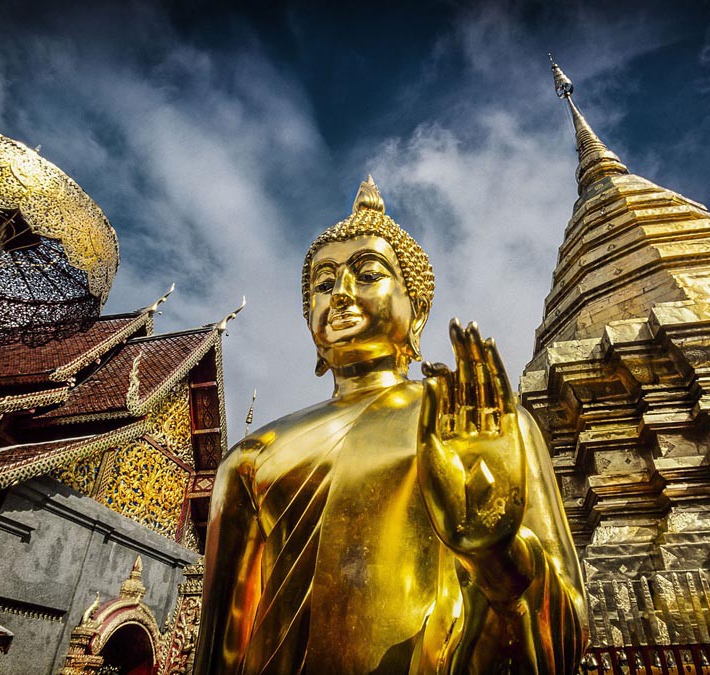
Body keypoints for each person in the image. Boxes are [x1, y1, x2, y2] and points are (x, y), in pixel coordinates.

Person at [194, 177, 587, 674]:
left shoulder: (470, 421)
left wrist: (498, 560)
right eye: (322, 283)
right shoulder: (253, 456)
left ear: (417, 312)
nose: (339, 294)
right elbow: (216, 652)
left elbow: (565, 626)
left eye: (367, 274)